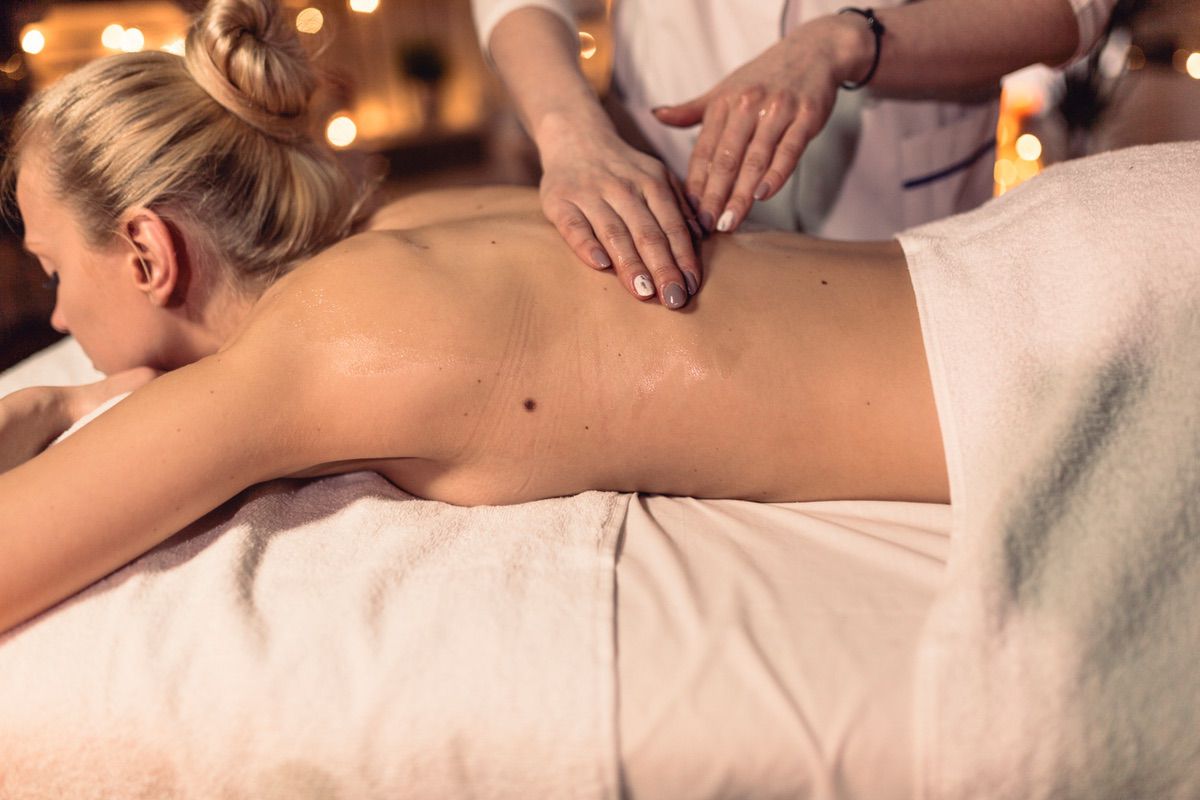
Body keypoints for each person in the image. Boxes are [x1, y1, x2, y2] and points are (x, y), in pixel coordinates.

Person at [1, 0, 1192, 646]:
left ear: (149, 251)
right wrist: (77, 396)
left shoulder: (311, 354)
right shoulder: (413, 224)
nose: (56, 310)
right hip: (1081, 249)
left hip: (1097, 351)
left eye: (52, 266)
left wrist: (48, 405)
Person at [472, 0, 1118, 306]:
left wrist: (847, 42)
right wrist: (570, 132)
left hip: (904, 212)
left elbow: (1069, 8)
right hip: (662, 160)